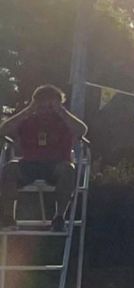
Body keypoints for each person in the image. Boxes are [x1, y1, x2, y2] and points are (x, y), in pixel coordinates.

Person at [1, 85, 87, 226]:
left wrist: (61, 111)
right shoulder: (28, 120)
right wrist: (27, 111)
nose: (46, 111)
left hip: (57, 165)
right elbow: (3, 130)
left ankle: (59, 217)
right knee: (10, 169)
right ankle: (8, 217)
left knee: (68, 170)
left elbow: (82, 130)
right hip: (29, 164)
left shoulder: (64, 122)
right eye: (42, 106)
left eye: (50, 107)